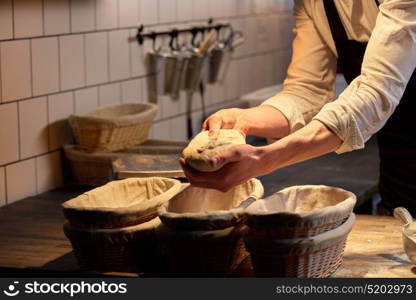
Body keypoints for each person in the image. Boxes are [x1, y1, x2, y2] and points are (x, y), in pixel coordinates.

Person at [179, 0, 416, 215]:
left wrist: (266, 159)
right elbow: (306, 91)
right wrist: (245, 119)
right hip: (400, 183)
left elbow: (375, 94)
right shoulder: (314, 3)